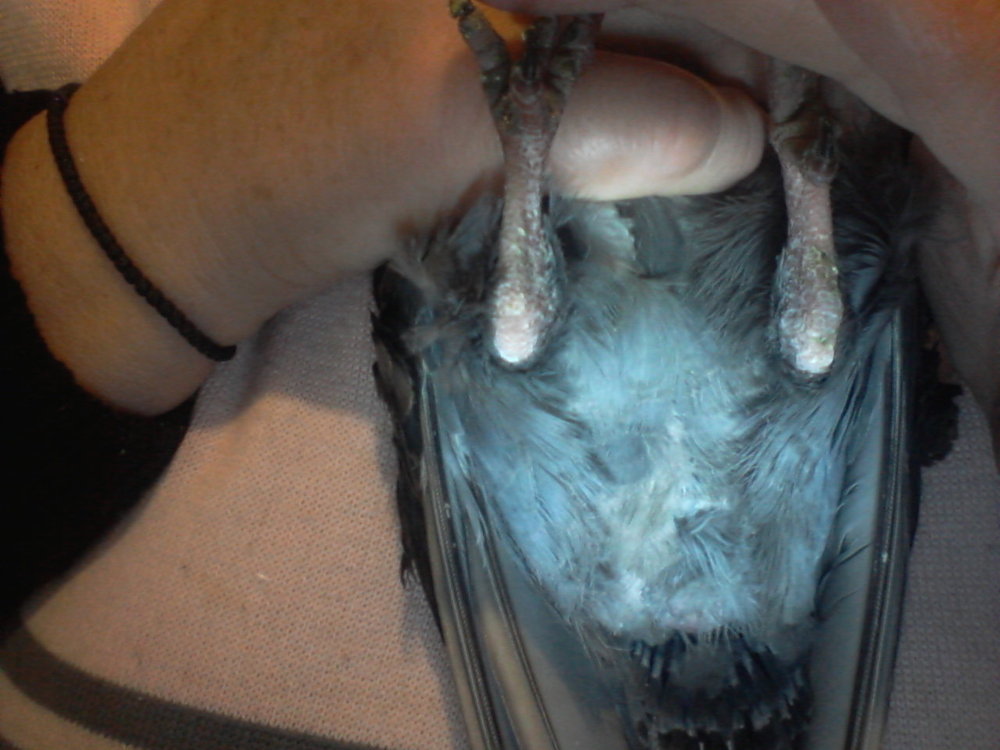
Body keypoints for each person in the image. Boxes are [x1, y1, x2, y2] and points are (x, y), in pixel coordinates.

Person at [0, 1, 996, 749]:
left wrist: (130, 216)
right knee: (797, 333)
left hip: (567, 441)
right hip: (782, 428)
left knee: (540, 333)